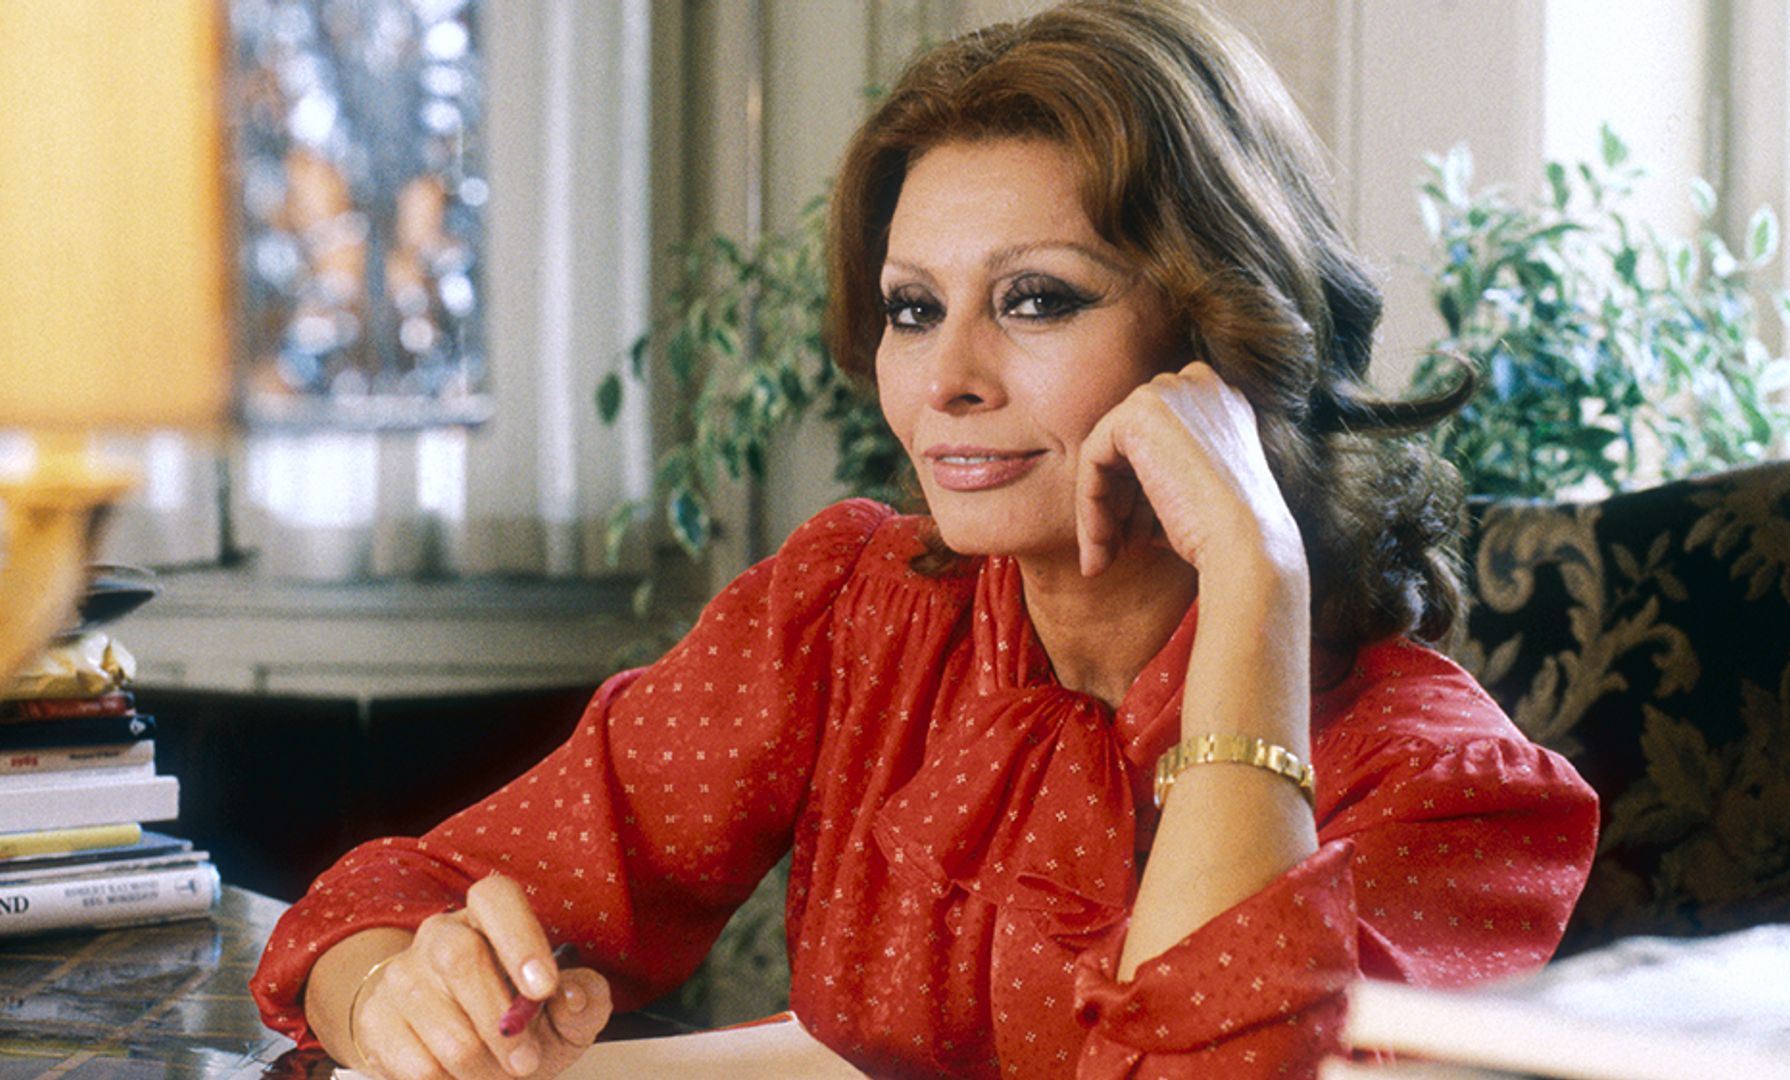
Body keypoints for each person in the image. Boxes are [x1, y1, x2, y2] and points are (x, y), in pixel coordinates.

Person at [251, 2, 1600, 1077]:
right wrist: (395, 999)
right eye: (910, 308)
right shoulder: (855, 609)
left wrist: (1254, 578)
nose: (943, 379)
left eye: (1034, 299)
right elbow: (392, 898)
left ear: (1220, 336)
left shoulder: (1453, 794)